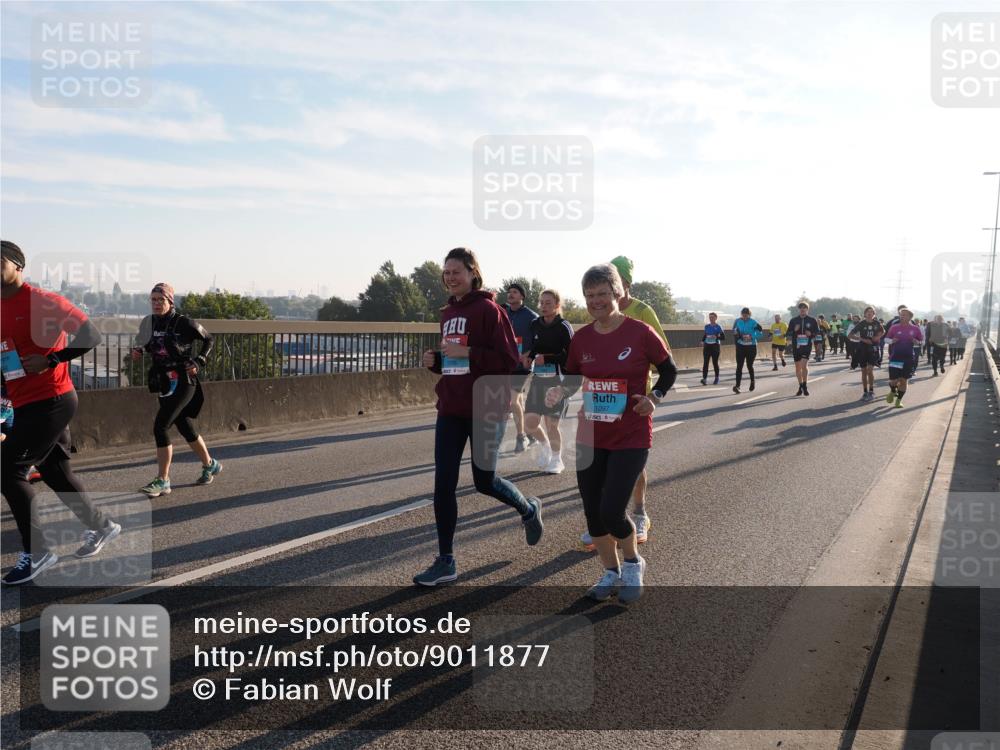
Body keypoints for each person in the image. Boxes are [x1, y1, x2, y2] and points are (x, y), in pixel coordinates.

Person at [546, 263, 676, 603]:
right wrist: (559, 392)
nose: (596, 301)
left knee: (612, 510)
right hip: (591, 434)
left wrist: (654, 398)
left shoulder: (640, 332)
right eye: (589, 296)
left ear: (617, 293)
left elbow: (668, 369)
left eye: (602, 293)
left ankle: (633, 562)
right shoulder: (583, 338)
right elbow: (573, 377)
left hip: (630, 434)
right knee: (592, 513)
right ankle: (610, 571)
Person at [415, 248, 543, 586]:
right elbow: (457, 365)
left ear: (473, 273)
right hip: (452, 408)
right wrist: (438, 363)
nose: (450, 277)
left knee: (484, 481)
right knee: (443, 484)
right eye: (446, 272)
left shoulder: (489, 310)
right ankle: (446, 561)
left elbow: (507, 360)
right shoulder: (447, 313)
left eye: (457, 271)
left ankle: (528, 509)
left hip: (486, 407)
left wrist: (468, 351)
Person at [1, 240, 122, 585]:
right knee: (55, 473)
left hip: (52, 398)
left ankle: (38, 552)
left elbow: (91, 333)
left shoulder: (43, 301)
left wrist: (52, 359)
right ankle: (102, 526)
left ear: (18, 265)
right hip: (23, 400)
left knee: (8, 469)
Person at [132, 283, 221, 497]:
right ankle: (210, 464)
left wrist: (199, 360)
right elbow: (147, 343)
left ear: (170, 301)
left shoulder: (184, 323)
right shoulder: (148, 322)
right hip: (164, 381)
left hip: (183, 381)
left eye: (160, 300)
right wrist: (139, 350)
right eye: (152, 300)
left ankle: (163, 480)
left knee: (160, 427)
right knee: (184, 427)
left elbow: (209, 339)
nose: (155, 304)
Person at [522, 289, 574, 474]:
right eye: (542, 303)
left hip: (557, 382)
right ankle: (544, 445)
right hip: (538, 379)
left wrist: (549, 359)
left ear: (557, 305)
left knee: (551, 424)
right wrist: (530, 357)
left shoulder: (563, 326)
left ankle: (557, 459)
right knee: (529, 423)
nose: (544, 306)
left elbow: (571, 356)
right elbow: (534, 348)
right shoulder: (535, 324)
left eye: (548, 303)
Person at [502, 284, 539, 453]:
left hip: (523, 365)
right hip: (507, 363)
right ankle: (531, 435)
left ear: (522, 296)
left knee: (513, 399)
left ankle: (521, 437)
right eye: (509, 292)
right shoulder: (503, 313)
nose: (510, 295)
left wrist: (529, 355)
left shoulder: (531, 316)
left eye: (515, 292)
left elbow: (539, 340)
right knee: (518, 401)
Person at [884, 308, 923, 408]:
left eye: (904, 314)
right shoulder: (894, 327)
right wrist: (892, 341)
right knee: (893, 380)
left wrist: (916, 342)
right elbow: (886, 339)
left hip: (908, 358)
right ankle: (893, 391)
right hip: (896, 357)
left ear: (910, 317)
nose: (902, 316)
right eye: (901, 314)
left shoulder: (915, 329)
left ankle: (899, 400)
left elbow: (921, 342)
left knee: (904, 380)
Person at [786, 302, 820, 396]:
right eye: (801, 309)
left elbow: (817, 332)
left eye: (804, 309)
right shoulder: (793, 320)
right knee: (797, 367)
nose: (802, 310)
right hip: (796, 346)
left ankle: (805, 385)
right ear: (799, 310)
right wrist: (794, 330)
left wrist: (811, 334)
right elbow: (788, 333)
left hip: (806, 346)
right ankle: (800, 386)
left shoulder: (812, 320)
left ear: (807, 310)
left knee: (804, 366)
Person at [850, 307, 883, 401]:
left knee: (870, 370)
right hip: (863, 349)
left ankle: (871, 391)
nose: (869, 313)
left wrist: (877, 337)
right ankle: (865, 392)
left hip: (873, 349)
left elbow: (883, 331)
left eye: (871, 312)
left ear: (874, 314)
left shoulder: (877, 323)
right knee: (864, 371)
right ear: (865, 314)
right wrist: (862, 339)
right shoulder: (861, 324)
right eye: (867, 312)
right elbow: (850, 335)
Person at [731, 307, 763, 394]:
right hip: (741, 346)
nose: (745, 316)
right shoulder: (738, 321)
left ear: (749, 315)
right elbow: (734, 331)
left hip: (751, 346)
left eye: (746, 315)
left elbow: (760, 333)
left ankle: (752, 381)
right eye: (743, 315)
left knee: (749, 365)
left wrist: (752, 337)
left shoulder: (753, 322)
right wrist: (737, 334)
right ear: (741, 314)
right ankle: (737, 386)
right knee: (739, 366)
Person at [701, 312, 725, 384]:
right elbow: (705, 335)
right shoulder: (707, 326)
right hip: (707, 346)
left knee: (715, 363)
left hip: (715, 346)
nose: (711, 319)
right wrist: (702, 341)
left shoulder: (718, 327)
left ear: (716, 318)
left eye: (712, 317)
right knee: (705, 363)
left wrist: (716, 336)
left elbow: (723, 337)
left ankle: (717, 378)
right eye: (710, 317)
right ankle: (704, 379)